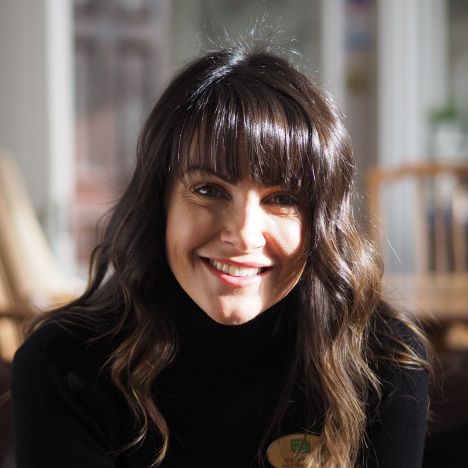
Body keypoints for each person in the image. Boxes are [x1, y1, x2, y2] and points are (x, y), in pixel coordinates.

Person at [11, 44, 429, 468]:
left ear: (321, 223)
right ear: (159, 204)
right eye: (209, 190)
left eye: (283, 198)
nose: (244, 236)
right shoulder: (61, 366)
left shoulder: (382, 364)